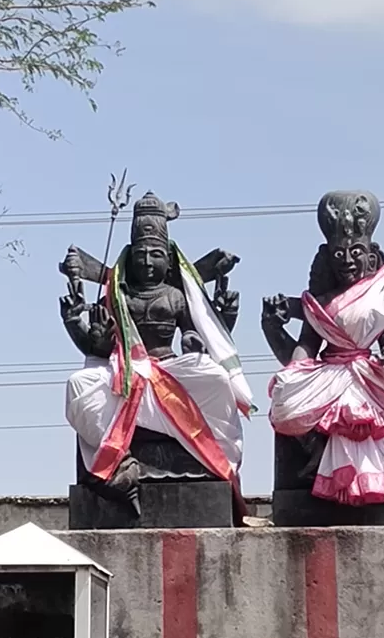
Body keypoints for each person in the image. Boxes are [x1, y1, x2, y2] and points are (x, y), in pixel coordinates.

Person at [60, 192, 253, 515]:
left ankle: (212, 457)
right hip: (126, 372)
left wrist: (197, 337)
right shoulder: (116, 295)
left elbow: (197, 333)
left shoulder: (176, 295)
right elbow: (97, 348)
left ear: (169, 259)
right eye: (141, 255)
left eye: (156, 255)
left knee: (216, 378)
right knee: (79, 384)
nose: (148, 263)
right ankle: (118, 465)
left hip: (169, 369)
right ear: (130, 256)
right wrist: (77, 324)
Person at [262, 190, 384, 505]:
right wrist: (273, 331)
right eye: (338, 253)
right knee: (285, 393)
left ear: (371, 256)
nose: (347, 261)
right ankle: (317, 473)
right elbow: (305, 350)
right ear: (327, 258)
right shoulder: (319, 303)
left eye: (356, 252)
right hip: (328, 374)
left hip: (368, 374)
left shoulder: (382, 296)